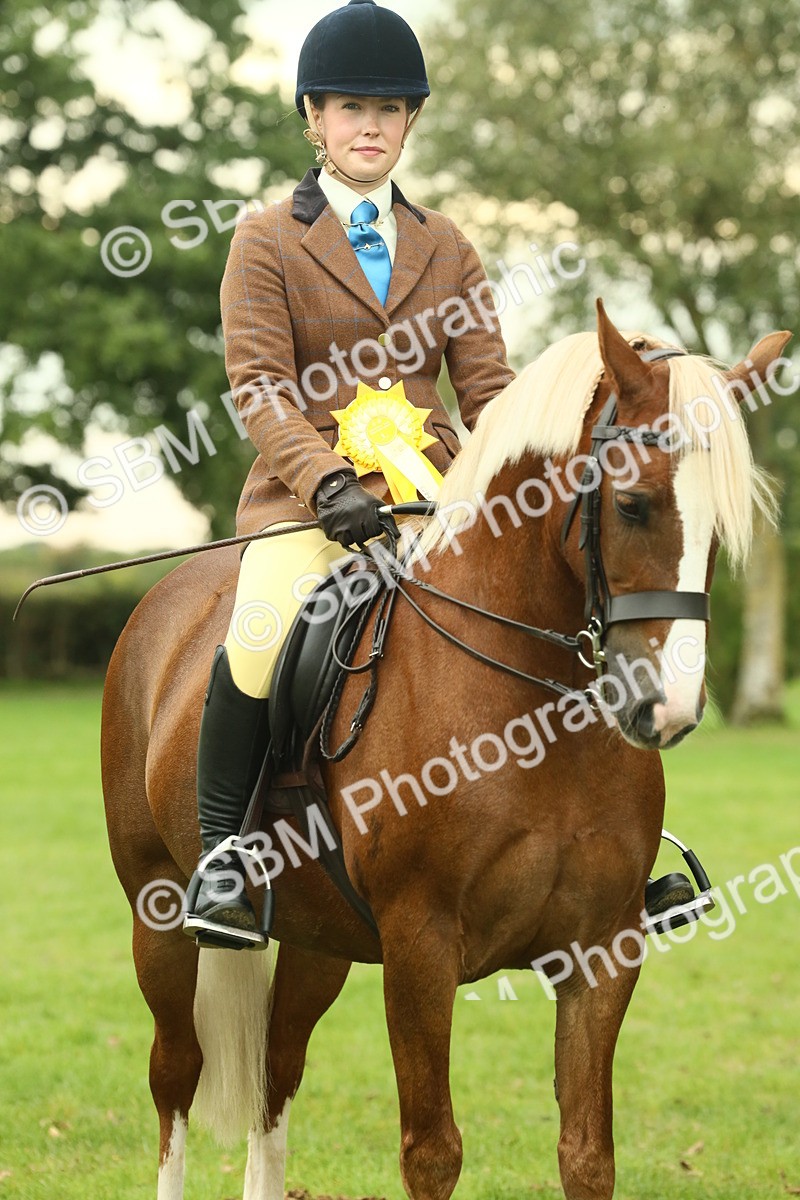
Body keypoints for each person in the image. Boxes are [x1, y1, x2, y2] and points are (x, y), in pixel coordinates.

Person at [182, 0, 702, 951]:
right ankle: (225, 856)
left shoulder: (448, 246)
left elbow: (492, 392)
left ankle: (623, 850)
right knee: (258, 633)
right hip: (312, 509)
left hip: (438, 502)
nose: (369, 124)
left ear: (412, 119)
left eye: (389, 107)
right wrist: (325, 481)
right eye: (349, 107)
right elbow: (257, 385)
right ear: (314, 118)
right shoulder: (264, 241)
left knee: (557, 612)